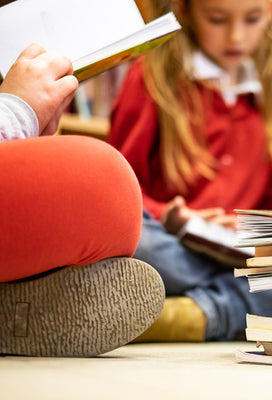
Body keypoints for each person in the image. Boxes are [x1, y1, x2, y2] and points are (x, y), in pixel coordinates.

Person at [109, 0, 272, 342]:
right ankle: (232, 306)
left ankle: (188, 313)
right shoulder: (152, 77)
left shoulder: (270, 96)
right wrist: (175, 216)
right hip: (174, 244)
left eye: (252, 19)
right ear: (186, 10)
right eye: (217, 20)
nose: (236, 36)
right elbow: (119, 189)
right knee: (140, 243)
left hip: (240, 255)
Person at [0, 43, 165, 357]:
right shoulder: (152, 80)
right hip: (161, 227)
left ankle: (215, 301)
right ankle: (213, 306)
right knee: (108, 188)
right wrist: (15, 110)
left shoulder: (268, 105)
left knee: (266, 268)